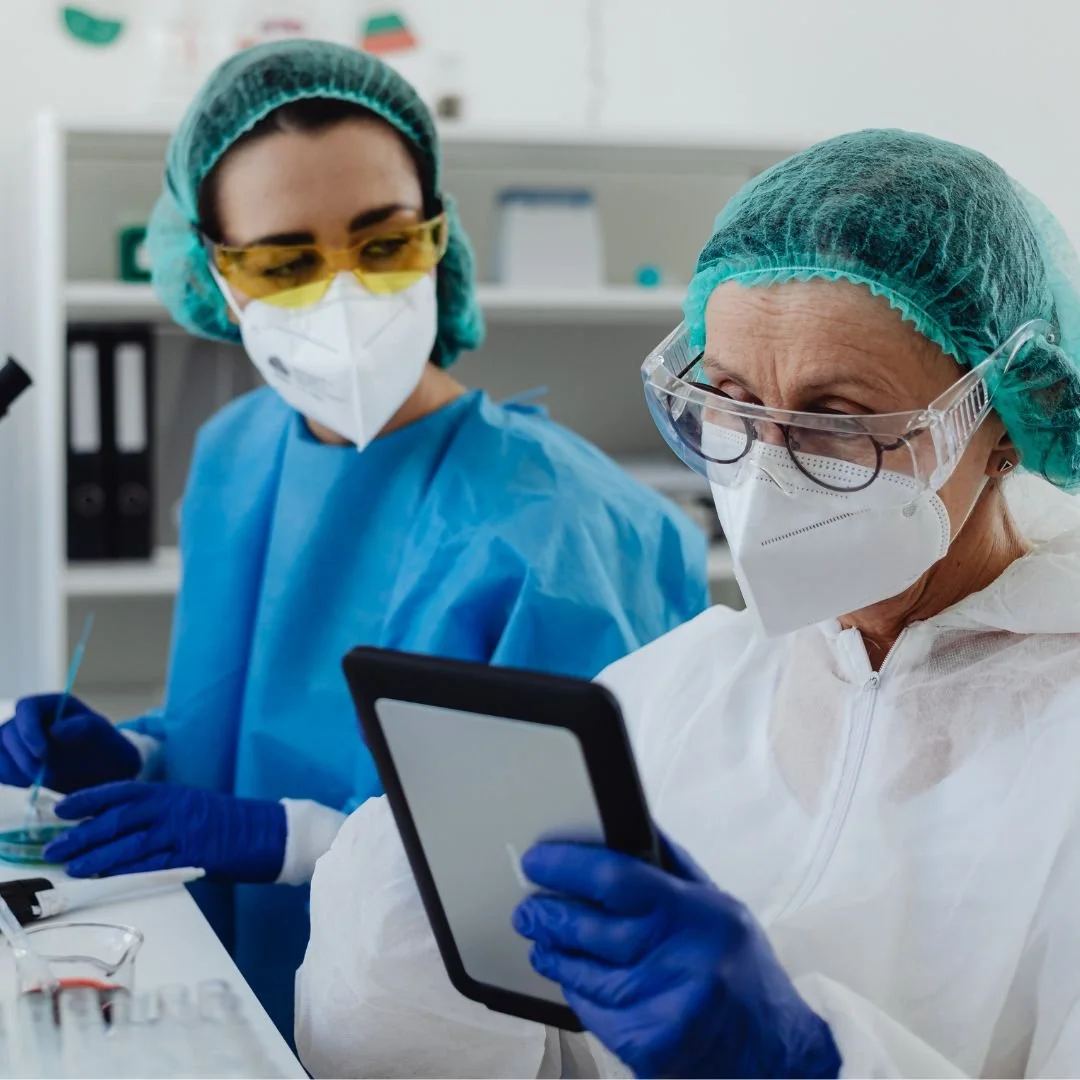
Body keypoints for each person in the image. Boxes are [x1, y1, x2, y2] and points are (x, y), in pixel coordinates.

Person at [295, 129, 1080, 1078]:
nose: (766, 473)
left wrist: (808, 1064)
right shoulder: (685, 687)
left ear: (1009, 419)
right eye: (733, 403)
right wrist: (405, 911)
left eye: (836, 420)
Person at [0, 41, 708, 1037]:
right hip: (228, 997)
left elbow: (558, 893)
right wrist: (140, 752)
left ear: (439, 238)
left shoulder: (567, 530)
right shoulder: (238, 453)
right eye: (285, 263)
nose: (344, 295)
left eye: (383, 245)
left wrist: (289, 840)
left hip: (442, 1042)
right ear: (214, 275)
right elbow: (254, 718)